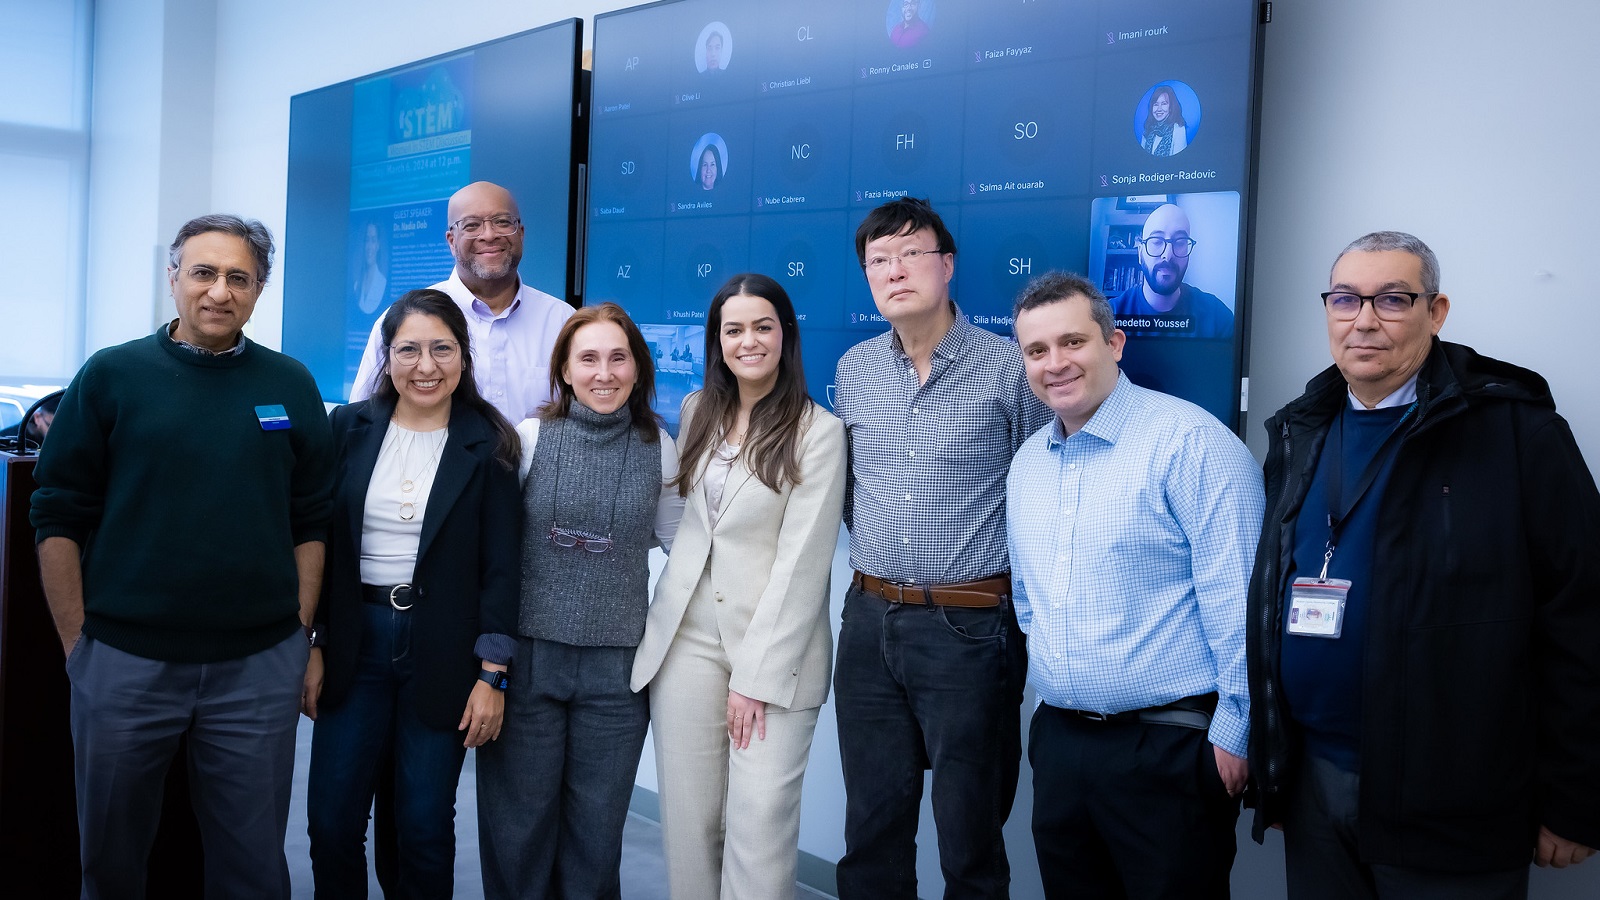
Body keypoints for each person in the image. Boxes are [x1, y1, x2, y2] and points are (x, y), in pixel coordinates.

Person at [1247, 231, 1600, 898]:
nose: (1365, 320)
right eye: (1346, 299)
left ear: (1435, 314)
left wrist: (1576, 798)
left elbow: (1583, 617)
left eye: (1393, 299)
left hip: (1455, 798)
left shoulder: (1515, 432)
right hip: (1315, 784)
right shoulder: (1300, 432)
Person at [31, 214, 334, 899]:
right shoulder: (112, 376)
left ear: (259, 289)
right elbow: (56, 511)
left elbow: (312, 517)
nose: (219, 291)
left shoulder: (289, 385)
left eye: (238, 277)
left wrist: (298, 630)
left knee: (254, 868)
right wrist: (79, 645)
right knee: (111, 862)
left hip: (256, 669)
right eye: (203, 272)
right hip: (124, 663)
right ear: (174, 279)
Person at [1006, 272, 1263, 898]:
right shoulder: (1029, 464)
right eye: (1037, 351)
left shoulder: (1192, 443)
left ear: (1115, 343)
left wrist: (1237, 730)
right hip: (1063, 745)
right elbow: (1028, 600)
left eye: (1073, 342)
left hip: (1170, 747)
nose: (1055, 364)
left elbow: (1243, 604)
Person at [832, 197, 1051, 898]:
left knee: (970, 838)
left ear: (947, 265)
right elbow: (845, 491)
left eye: (910, 254)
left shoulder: (1009, 368)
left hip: (969, 629)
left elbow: (1046, 488)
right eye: (877, 261)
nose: (894, 272)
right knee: (870, 830)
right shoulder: (856, 369)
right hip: (867, 623)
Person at [632, 274, 847, 899]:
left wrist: (752, 679)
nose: (748, 341)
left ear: (786, 335)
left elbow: (802, 566)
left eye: (762, 326)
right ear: (716, 340)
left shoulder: (819, 432)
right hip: (688, 643)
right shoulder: (700, 409)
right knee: (691, 829)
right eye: (733, 329)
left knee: (758, 835)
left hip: (775, 661)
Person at [306, 289, 521, 897]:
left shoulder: (490, 442)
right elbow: (320, 540)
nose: (425, 366)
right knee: (332, 817)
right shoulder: (346, 428)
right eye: (409, 350)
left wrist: (493, 674)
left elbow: (503, 567)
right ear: (385, 356)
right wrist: (312, 643)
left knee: (423, 825)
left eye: (441, 349)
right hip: (355, 641)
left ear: (463, 357)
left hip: (445, 652)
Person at [476, 302, 686, 899]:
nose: (604, 373)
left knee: (596, 841)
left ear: (639, 369)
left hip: (617, 675)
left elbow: (681, 550)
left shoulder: (660, 448)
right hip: (528, 663)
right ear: (564, 371)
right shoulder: (530, 438)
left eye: (618, 358)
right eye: (587, 359)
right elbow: (496, 553)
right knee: (519, 834)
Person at [351, 181, 572, 421]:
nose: (488, 235)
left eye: (502, 222)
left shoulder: (562, 322)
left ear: (520, 232)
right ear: (451, 240)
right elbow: (362, 423)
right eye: (472, 225)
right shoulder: (402, 323)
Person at [1110, 202, 1234, 338]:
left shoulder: (1217, 317)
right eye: (1157, 241)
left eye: (1180, 242)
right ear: (1140, 254)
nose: (1168, 255)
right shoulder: (1109, 316)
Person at [1140, 84, 1188, 157]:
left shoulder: (1179, 129)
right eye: (1155, 104)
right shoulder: (1148, 128)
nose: (1159, 109)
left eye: (1164, 104)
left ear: (1171, 107)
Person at [354, 221, 388, 315]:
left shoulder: (382, 282)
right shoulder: (356, 285)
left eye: (373, 240)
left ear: (378, 245)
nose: (369, 247)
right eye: (367, 240)